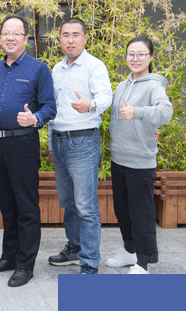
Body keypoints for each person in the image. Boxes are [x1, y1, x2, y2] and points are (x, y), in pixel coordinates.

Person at [0, 15, 56, 287]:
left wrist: (35, 118)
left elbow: (50, 106)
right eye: (5, 33)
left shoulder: (38, 69)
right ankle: (8, 257)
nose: (10, 38)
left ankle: (25, 264)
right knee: (7, 204)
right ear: (0, 37)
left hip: (23, 143)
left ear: (26, 38)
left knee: (26, 206)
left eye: (16, 33)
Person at [47, 17, 112, 274]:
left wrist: (91, 105)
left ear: (85, 38)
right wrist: (51, 143)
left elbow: (106, 96)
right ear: (60, 39)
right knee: (69, 202)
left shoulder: (94, 66)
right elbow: (54, 107)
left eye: (76, 35)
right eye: (66, 35)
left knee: (85, 205)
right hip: (59, 139)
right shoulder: (56, 68)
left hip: (83, 141)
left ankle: (90, 261)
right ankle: (74, 248)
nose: (70, 40)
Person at [105, 36, 173, 274]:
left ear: (151, 57)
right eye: (131, 54)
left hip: (140, 161)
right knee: (122, 210)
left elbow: (165, 112)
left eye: (141, 54)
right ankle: (129, 251)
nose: (135, 58)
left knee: (141, 214)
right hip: (119, 158)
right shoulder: (122, 85)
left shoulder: (154, 85)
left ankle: (144, 262)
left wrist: (138, 112)